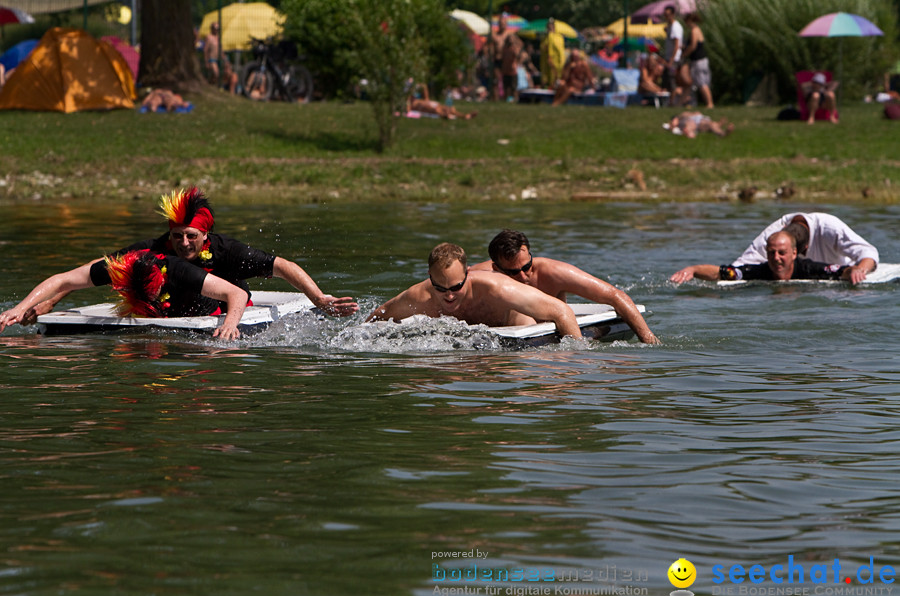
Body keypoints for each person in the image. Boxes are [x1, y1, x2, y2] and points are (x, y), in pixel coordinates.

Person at [12, 187, 358, 326]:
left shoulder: (227, 251)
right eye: (177, 236)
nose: (183, 243)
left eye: (191, 237)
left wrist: (319, 298)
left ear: (205, 236)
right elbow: (89, 271)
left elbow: (282, 266)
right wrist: (51, 301)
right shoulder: (152, 252)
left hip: (223, 298)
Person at [0, 250, 249, 340]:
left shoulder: (180, 271)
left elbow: (235, 293)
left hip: (205, 303)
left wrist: (229, 324)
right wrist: (20, 307)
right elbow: (62, 279)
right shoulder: (117, 270)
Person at [471, 230, 660, 344]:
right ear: (496, 268)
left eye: (527, 267)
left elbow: (615, 296)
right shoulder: (482, 277)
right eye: (513, 272)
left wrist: (649, 340)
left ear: (531, 256)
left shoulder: (554, 272)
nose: (522, 276)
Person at [367, 243, 582, 339]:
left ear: (467, 275)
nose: (449, 296)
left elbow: (561, 311)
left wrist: (574, 360)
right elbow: (377, 317)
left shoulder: (498, 288)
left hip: (518, 334)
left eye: (456, 287)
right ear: (429, 277)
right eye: (440, 288)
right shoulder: (417, 297)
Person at [733, 213, 878, 284]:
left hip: (832, 277)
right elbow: (741, 264)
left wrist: (859, 270)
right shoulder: (774, 236)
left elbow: (868, 252)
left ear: (800, 251)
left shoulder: (830, 228)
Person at [670, 231, 852, 283]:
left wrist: (854, 271)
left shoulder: (808, 269)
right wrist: (693, 270)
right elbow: (725, 272)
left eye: (782, 253)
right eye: (771, 253)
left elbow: (840, 271)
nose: (776, 258)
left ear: (794, 253)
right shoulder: (760, 271)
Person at [682, 13, 713, 108]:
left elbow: (693, 46)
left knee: (702, 82)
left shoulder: (694, 31)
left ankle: (710, 104)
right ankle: (689, 102)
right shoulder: (697, 30)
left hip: (699, 61)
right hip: (700, 60)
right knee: (699, 82)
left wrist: (684, 54)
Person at [406, 82, 477, 120]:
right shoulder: (410, 100)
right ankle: (444, 115)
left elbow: (424, 88)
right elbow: (408, 108)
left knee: (447, 108)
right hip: (420, 105)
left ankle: (464, 116)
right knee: (435, 109)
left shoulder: (415, 94)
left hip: (426, 103)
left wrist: (426, 98)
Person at [204, 22, 238, 94]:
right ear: (212, 28)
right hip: (212, 58)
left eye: (218, 29)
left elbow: (221, 50)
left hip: (219, 59)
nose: (217, 30)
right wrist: (206, 61)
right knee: (216, 73)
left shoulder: (218, 38)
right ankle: (212, 86)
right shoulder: (209, 37)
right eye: (215, 28)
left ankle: (213, 86)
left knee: (226, 73)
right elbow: (205, 50)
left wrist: (225, 59)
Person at [662, 5, 684, 102]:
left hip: (674, 58)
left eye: (668, 15)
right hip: (670, 57)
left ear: (673, 15)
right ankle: (671, 101)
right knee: (668, 80)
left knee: (672, 81)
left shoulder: (675, 27)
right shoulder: (671, 26)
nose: (666, 17)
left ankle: (673, 102)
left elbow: (677, 45)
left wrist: (671, 60)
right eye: (665, 15)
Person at [540, 18, 565, 90]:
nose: (550, 26)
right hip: (548, 62)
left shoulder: (559, 37)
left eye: (552, 25)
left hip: (557, 62)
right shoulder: (546, 37)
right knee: (547, 79)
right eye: (549, 25)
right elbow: (545, 48)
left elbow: (560, 50)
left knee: (555, 78)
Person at [666, 111, 733, 138]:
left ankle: (720, 127)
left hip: (700, 119)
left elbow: (696, 113)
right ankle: (722, 131)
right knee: (711, 125)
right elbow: (671, 127)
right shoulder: (680, 124)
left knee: (710, 124)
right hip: (698, 122)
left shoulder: (682, 116)